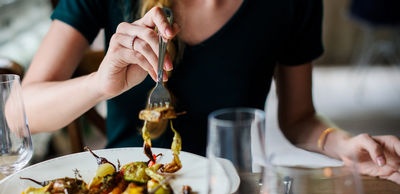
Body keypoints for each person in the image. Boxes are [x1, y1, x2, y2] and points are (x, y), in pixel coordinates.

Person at [22, 0, 400, 184]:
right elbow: (18, 113)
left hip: (233, 186)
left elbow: (300, 119)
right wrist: (100, 84)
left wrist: (343, 144)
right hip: (129, 185)